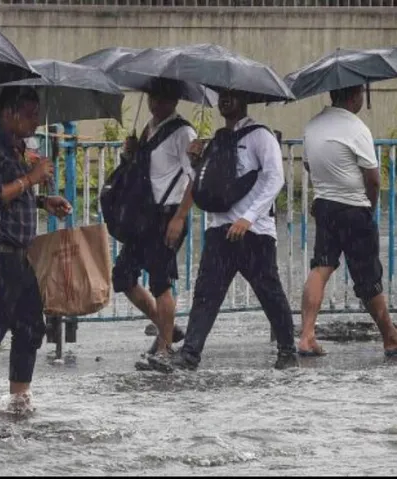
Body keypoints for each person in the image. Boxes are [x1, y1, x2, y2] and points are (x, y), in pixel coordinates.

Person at [149, 88, 299, 372]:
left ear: (245, 100)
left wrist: (249, 218)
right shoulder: (218, 139)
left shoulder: (260, 136)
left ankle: (287, 350)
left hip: (254, 233)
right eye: (222, 96)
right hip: (220, 228)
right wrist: (194, 163)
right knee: (206, 293)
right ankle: (190, 354)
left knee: (269, 292)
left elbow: (274, 178)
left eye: (232, 95)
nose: (225, 100)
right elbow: (207, 185)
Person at [0, 86, 72, 417]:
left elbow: (14, 193)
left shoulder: (18, 148)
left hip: (17, 254)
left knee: (30, 327)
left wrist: (42, 200)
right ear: (9, 113)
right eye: (30, 114)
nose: (36, 121)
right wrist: (31, 179)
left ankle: (19, 401)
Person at [298, 85, 397, 357]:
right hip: (354, 209)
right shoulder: (357, 128)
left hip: (325, 208)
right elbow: (374, 179)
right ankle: (390, 338)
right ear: (355, 96)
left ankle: (306, 336)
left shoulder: (312, 125)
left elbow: (307, 165)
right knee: (368, 277)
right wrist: (369, 209)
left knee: (321, 267)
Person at [116, 79, 196, 368]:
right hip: (143, 217)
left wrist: (180, 217)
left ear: (174, 101)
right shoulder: (149, 129)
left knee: (161, 284)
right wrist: (131, 152)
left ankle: (164, 349)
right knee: (123, 277)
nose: (156, 103)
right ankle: (167, 328)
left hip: (167, 215)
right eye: (153, 97)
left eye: (163, 98)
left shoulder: (183, 133)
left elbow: (194, 178)